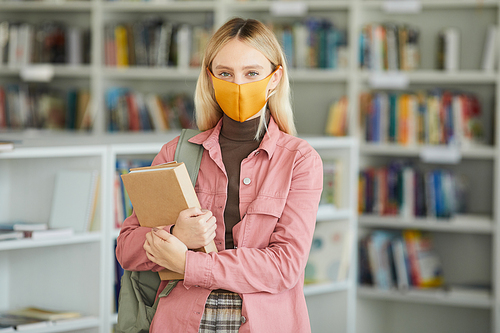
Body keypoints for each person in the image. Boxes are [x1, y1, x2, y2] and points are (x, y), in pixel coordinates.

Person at [116, 17, 323, 333]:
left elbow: (285, 266)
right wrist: (176, 235)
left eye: (252, 73)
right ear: (210, 78)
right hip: (180, 321)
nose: (238, 85)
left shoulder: (300, 161)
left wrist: (188, 263)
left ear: (274, 78)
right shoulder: (175, 153)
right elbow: (127, 248)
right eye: (225, 73)